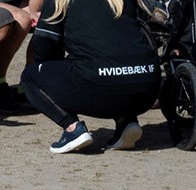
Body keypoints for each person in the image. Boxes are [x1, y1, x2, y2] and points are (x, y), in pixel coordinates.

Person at [20, 0, 160, 152]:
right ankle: (126, 121)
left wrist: (44, 25)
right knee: (107, 60)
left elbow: (44, 50)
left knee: (30, 77)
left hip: (100, 84)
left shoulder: (58, 2)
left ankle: (73, 129)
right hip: (148, 88)